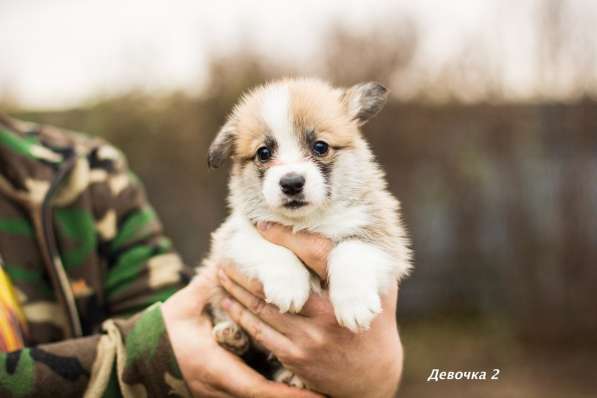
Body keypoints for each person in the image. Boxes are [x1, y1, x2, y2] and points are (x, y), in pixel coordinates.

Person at [0, 113, 403, 397]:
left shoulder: (85, 172)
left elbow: (173, 316)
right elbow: (175, 341)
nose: (292, 174)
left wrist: (375, 378)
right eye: (264, 155)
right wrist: (148, 360)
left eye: (319, 148)